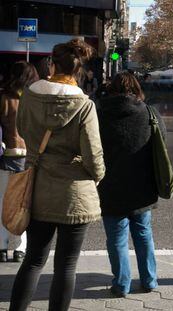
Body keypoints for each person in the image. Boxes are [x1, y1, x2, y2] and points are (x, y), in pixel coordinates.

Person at [9, 39, 105, 311]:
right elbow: (93, 154)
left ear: (51, 64)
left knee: (34, 260)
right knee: (66, 264)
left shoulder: (28, 95)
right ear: (79, 70)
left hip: (37, 186)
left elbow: (23, 130)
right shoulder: (84, 105)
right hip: (74, 192)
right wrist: (97, 176)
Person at [97, 72, 165, 297]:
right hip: (143, 186)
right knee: (144, 233)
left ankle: (122, 284)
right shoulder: (149, 112)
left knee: (116, 238)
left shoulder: (99, 113)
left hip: (110, 187)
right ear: (136, 89)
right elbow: (161, 140)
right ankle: (149, 280)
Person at [0, 61, 39, 263]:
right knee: (23, 204)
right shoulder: (33, 100)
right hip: (28, 156)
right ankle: (20, 248)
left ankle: (1, 246)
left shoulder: (4, 97)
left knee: (3, 202)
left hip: (6, 155)